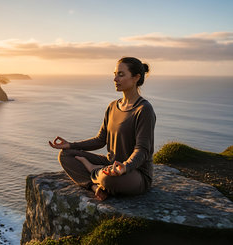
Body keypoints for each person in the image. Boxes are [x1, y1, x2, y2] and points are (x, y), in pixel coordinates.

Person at [49, 57, 156, 201]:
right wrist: (70, 145)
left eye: (121, 75)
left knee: (108, 179)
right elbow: (100, 140)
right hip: (111, 164)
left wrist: (125, 167)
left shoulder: (144, 110)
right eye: (115, 74)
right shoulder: (113, 106)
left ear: (136, 77)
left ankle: (93, 170)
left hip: (135, 173)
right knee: (65, 155)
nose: (115, 79)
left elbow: (142, 150)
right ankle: (94, 187)